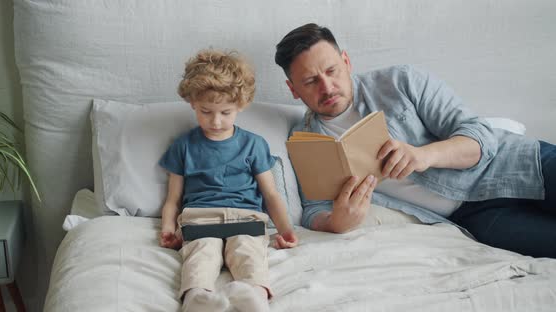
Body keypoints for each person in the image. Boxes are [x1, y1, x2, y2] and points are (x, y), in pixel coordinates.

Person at [274, 23, 555, 258]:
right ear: (293, 89)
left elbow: (479, 135)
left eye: (332, 70)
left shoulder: (401, 82)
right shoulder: (303, 140)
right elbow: (313, 209)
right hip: (476, 218)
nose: (327, 87)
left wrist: (424, 156)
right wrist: (335, 221)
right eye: (310, 81)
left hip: (519, 163)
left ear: (346, 62)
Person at [159, 49, 298, 312]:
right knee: (200, 257)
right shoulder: (183, 146)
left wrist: (286, 229)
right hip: (200, 219)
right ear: (192, 103)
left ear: (241, 105)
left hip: (246, 219)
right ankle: (197, 298)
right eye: (206, 111)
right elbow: (173, 199)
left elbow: (271, 195)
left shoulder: (254, 144)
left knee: (250, 256)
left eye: (225, 112)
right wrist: (167, 229)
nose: (216, 121)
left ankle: (253, 297)